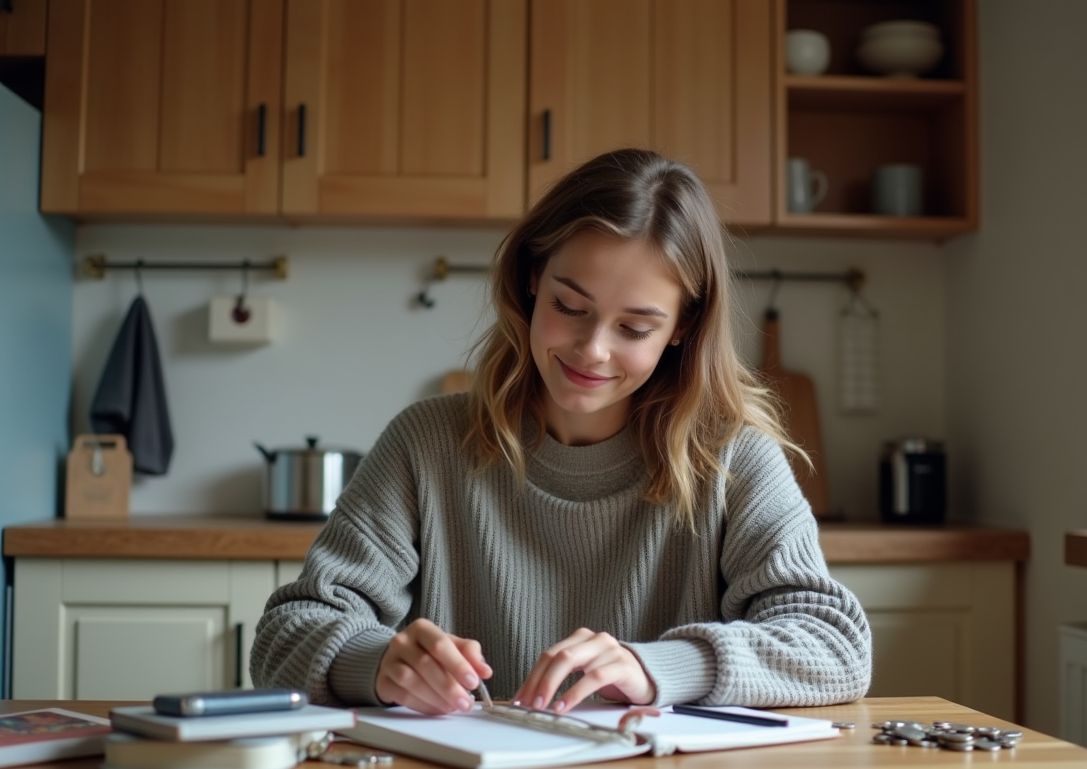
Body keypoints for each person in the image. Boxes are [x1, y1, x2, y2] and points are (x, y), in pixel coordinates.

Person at [251, 148, 871, 716]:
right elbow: (284, 636)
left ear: (682, 327)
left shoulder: (734, 460)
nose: (592, 349)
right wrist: (378, 664)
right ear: (531, 279)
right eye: (569, 307)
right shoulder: (425, 443)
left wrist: (658, 668)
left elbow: (835, 646)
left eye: (634, 328)